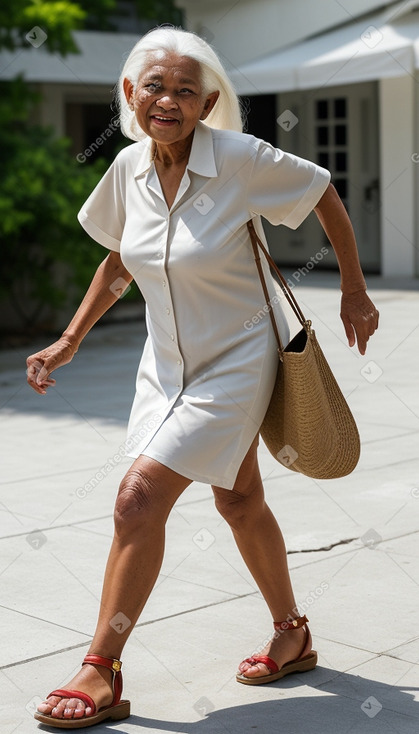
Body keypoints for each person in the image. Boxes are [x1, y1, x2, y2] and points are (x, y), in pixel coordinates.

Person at [27, 26, 379, 729]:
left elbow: (321, 191)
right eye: (154, 86)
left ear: (207, 102)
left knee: (136, 500)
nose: (168, 99)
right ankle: (293, 631)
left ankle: (101, 667)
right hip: (164, 366)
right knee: (239, 500)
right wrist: (70, 338)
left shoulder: (239, 159)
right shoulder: (126, 168)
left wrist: (352, 289)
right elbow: (121, 260)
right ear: (130, 94)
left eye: (186, 90)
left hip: (237, 361)